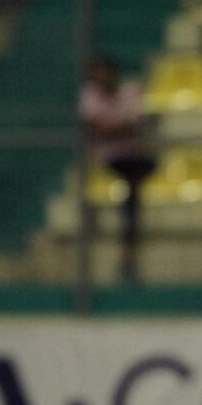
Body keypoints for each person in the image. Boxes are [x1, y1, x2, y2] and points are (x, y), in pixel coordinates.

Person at [78, 57, 156, 283]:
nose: (102, 78)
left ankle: (129, 252)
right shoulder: (89, 94)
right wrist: (118, 128)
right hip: (106, 161)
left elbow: (135, 124)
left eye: (105, 73)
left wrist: (114, 128)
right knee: (129, 183)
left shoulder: (129, 90)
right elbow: (99, 127)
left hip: (133, 157)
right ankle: (126, 250)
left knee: (138, 173)